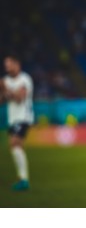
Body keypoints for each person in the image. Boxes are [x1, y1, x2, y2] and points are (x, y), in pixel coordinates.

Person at [0, 54, 34, 191]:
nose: (7, 67)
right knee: (16, 146)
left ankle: (24, 180)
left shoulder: (24, 79)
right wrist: (2, 91)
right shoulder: (6, 80)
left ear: (16, 64)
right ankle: (23, 179)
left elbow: (20, 98)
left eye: (9, 64)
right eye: (5, 65)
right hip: (13, 118)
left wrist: (5, 88)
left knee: (14, 143)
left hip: (23, 117)